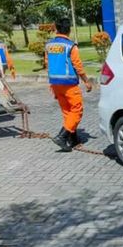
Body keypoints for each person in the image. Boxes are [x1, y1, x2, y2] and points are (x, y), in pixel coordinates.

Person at [45, 18, 92, 151]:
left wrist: (51, 83)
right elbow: (78, 66)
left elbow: (47, 64)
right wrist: (86, 81)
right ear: (69, 29)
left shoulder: (49, 45)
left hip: (55, 83)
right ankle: (62, 136)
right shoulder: (71, 46)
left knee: (67, 111)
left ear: (56, 29)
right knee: (77, 110)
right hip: (69, 84)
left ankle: (73, 140)